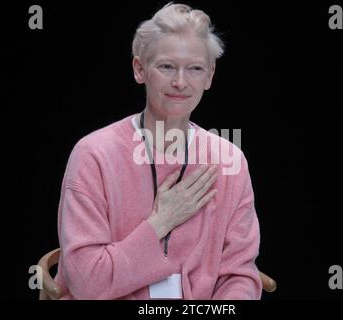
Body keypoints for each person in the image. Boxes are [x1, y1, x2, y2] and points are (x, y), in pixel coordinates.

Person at [54, 2, 263, 299]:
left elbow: (239, 276)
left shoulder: (230, 160)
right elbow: (87, 284)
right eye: (166, 66)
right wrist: (161, 221)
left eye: (194, 69)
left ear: (210, 76)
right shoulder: (94, 154)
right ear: (140, 69)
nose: (180, 82)